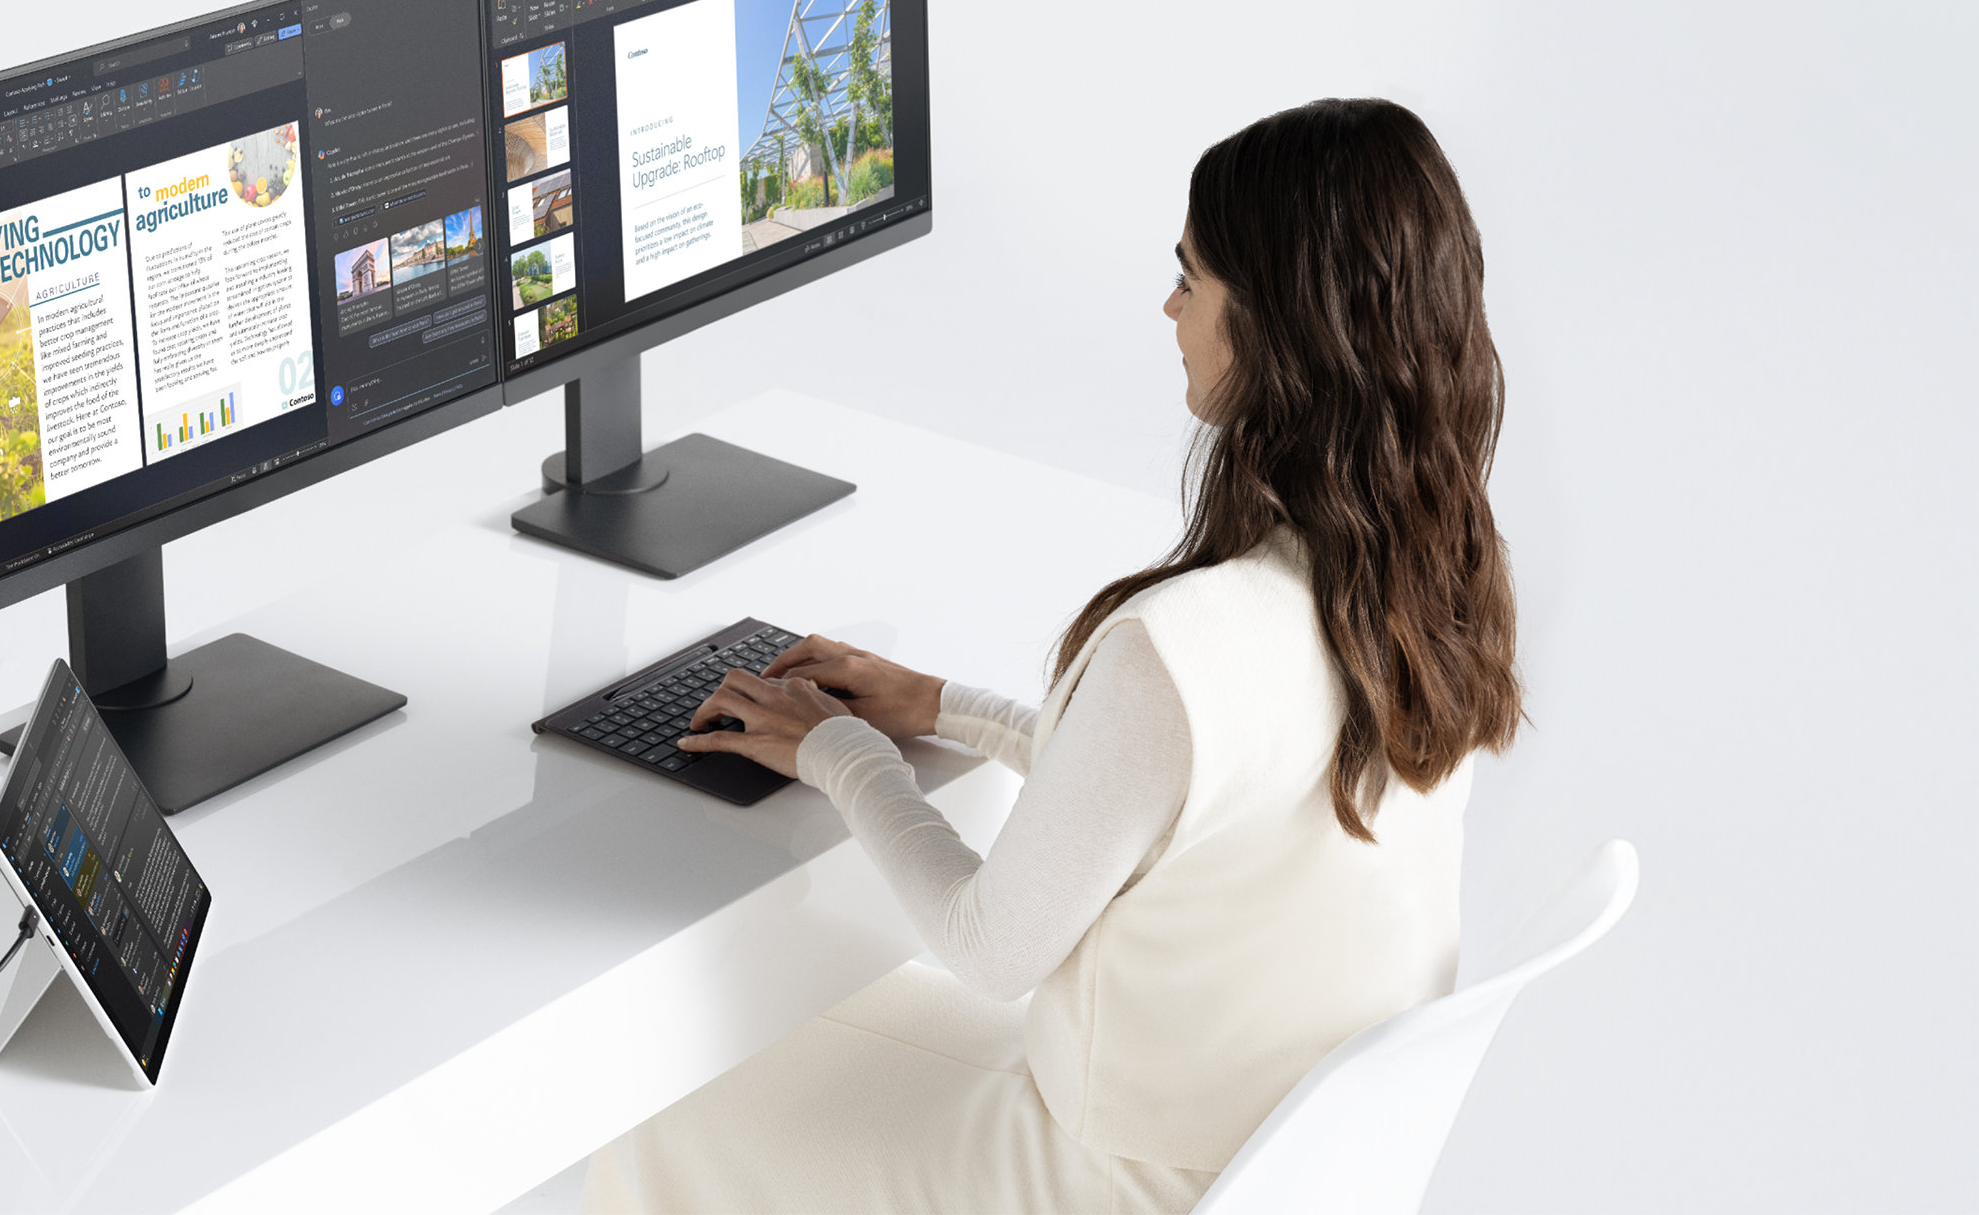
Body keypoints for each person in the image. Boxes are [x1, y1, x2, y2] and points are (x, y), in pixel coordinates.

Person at [587, 98, 1524, 1213]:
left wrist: (838, 750)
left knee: (646, 1093)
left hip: (1093, 1182)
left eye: (1191, 277)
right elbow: (1193, 798)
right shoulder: (1429, 585)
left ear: (1277, 327)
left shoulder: (1174, 650)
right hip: (1272, 1164)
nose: (1168, 307)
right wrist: (942, 706)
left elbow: (987, 949)